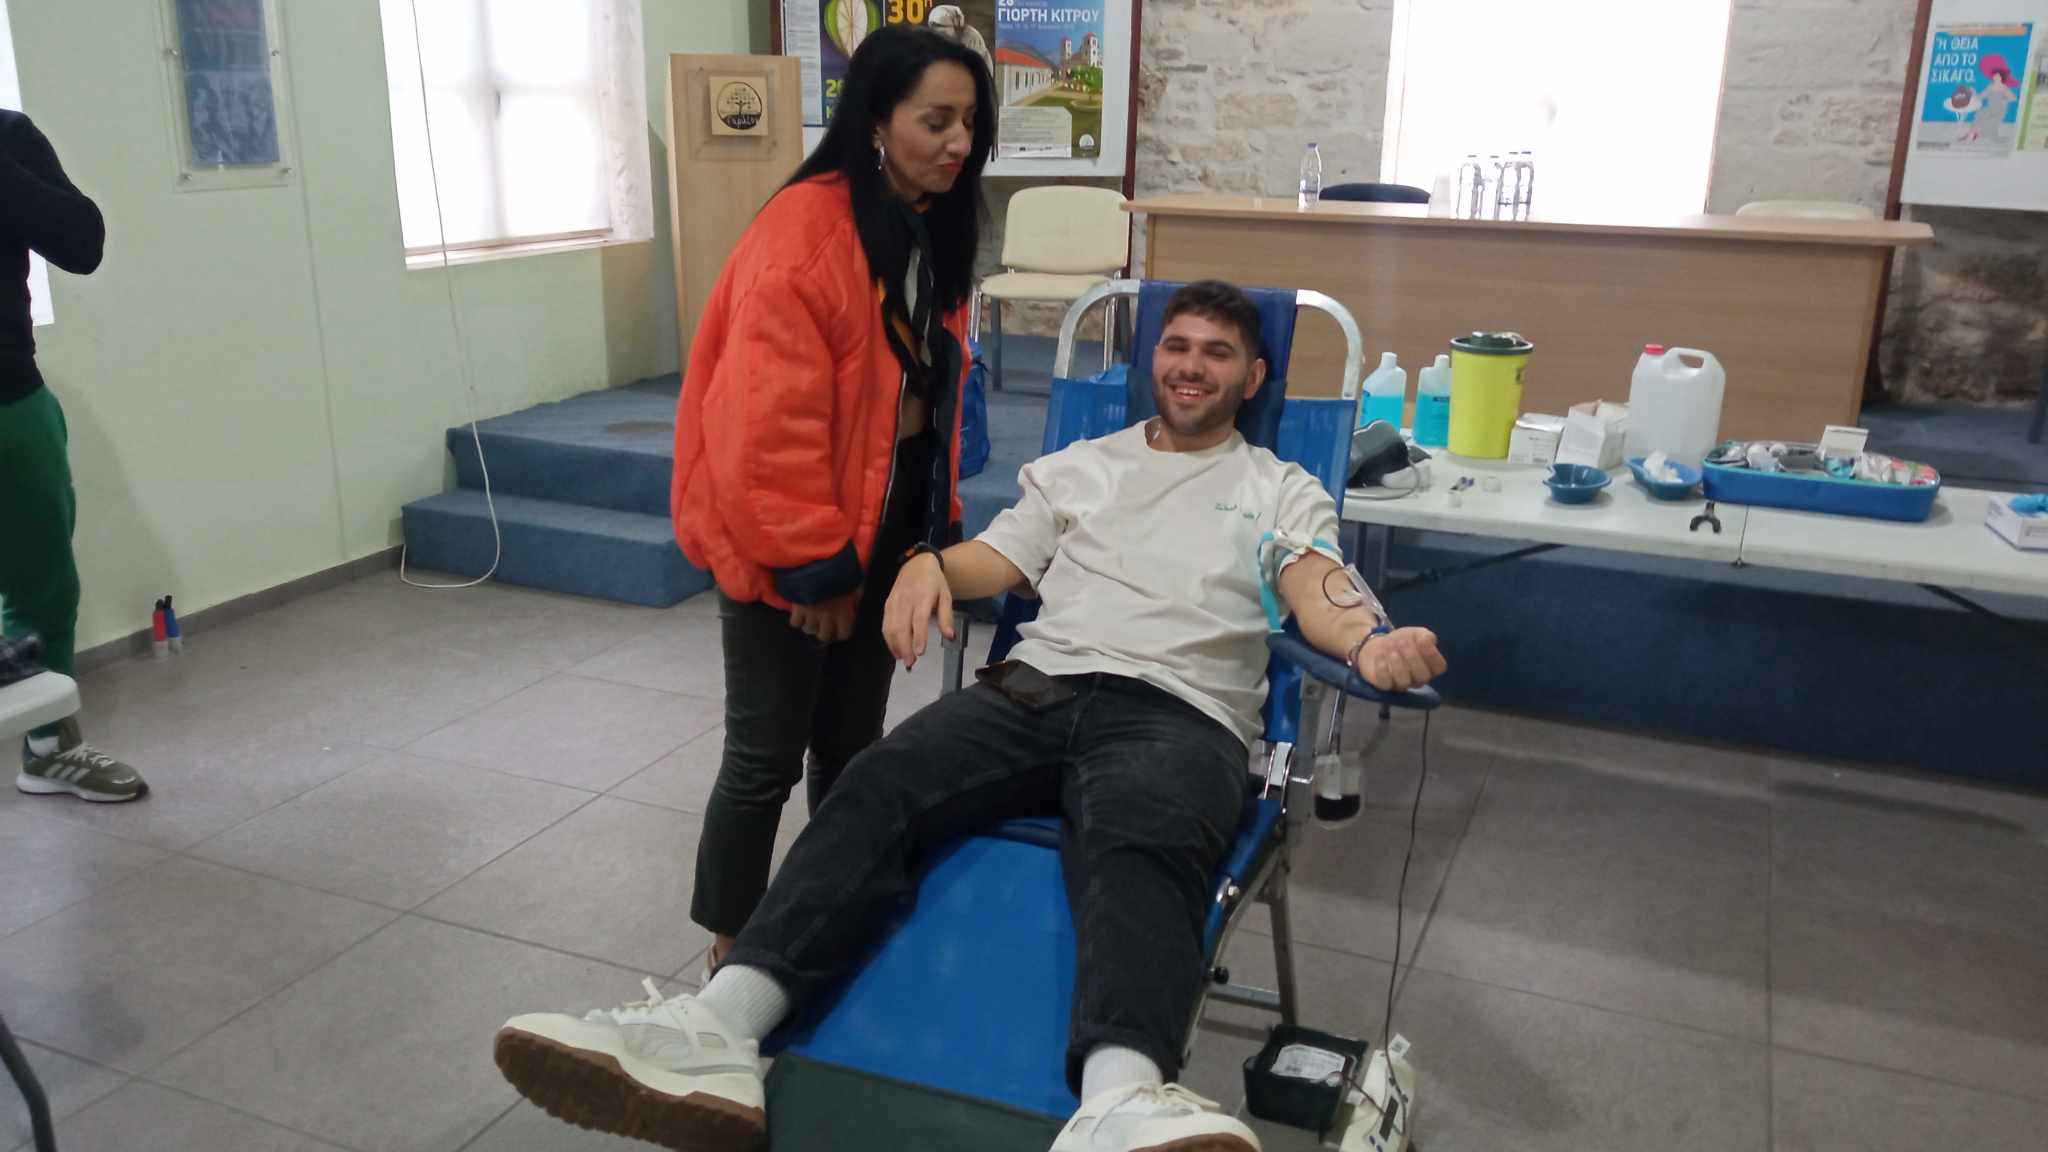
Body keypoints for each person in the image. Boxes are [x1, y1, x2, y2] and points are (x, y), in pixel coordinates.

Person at [497, 281, 1447, 1152]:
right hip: (1038, 686)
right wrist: (929, 565)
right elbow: (998, 556)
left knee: (1143, 840)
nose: (1191, 366)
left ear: (1254, 377)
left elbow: (1316, 585)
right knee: (877, 784)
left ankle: (1120, 1100)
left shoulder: (1276, 485)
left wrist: (1368, 644)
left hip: (1180, 710)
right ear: (1152, 359)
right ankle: (717, 1031)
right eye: (1177, 346)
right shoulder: (1080, 466)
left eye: (1217, 353)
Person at [668, 24, 994, 980]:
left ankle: (824, 921)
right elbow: (764, 431)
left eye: (970, 123)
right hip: (789, 537)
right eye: (936, 121)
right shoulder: (806, 235)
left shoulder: (922, 222)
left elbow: (919, 400)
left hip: (880, 524)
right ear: (875, 122)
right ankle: (732, 955)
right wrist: (811, 568)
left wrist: (927, 537)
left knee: (853, 751)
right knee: (764, 759)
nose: (958, 143)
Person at [1, 109, 147, 803]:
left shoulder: (8, 136)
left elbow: (81, 244)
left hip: (12, 400)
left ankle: (49, 748)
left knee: (44, 587)